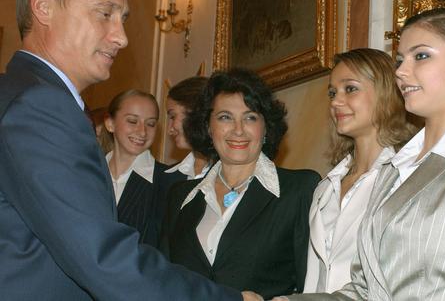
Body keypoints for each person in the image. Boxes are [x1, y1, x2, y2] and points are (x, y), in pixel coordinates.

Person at [0, 0, 257, 300]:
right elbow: (102, 258)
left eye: (122, 18)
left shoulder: (16, 93)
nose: (121, 37)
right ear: (43, 6)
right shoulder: (40, 105)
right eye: (105, 14)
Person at [285, 5, 445, 301]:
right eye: (400, 60)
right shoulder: (393, 169)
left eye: (421, 56)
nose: (400, 71)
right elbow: (366, 291)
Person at [160, 68, 320, 299]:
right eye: (225, 117)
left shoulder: (299, 189)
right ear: (207, 126)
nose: (238, 129)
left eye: (250, 117)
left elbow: (311, 287)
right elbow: (163, 282)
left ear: (265, 128)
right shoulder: (179, 196)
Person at [303, 48, 414, 292]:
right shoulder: (325, 187)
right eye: (332, 92)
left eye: (350, 89)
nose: (335, 101)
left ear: (386, 92)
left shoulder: (407, 179)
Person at [103, 89, 179, 248]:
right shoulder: (86, 174)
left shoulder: (171, 183)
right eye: (132, 121)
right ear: (110, 123)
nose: (142, 131)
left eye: (151, 124)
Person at [164, 76, 211, 180]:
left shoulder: (231, 173)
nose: (169, 130)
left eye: (173, 116)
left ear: (195, 112)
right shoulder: (169, 177)